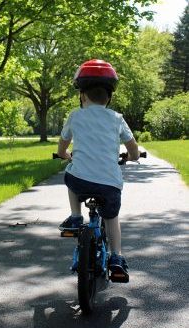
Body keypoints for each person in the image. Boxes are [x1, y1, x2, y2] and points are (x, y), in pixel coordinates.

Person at [57, 59, 139, 283]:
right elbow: (133, 147)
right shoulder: (117, 119)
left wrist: (66, 155)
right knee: (111, 217)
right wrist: (132, 157)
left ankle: (75, 217)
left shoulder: (75, 116)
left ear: (82, 96)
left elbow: (62, 146)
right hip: (109, 184)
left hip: (80, 181)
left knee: (70, 175)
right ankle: (116, 258)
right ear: (109, 97)